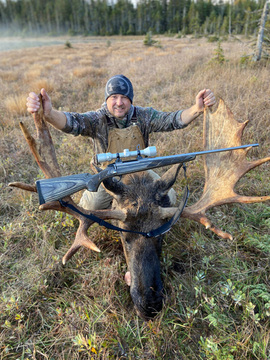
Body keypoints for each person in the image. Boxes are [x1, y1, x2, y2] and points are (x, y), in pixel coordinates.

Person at [26, 74, 216, 210]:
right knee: (93, 205)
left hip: (140, 170)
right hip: (108, 174)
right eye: (114, 97)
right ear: (107, 99)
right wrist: (49, 113)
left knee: (169, 197)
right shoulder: (97, 119)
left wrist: (196, 109)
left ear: (130, 99)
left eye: (124, 97)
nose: (119, 102)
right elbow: (71, 122)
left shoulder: (144, 115)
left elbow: (172, 120)